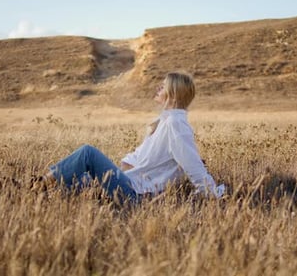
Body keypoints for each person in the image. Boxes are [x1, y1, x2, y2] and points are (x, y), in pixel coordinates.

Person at [39, 72, 225, 203]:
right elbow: (139, 158)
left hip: (135, 193)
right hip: (130, 183)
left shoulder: (176, 125)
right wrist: (122, 169)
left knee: (87, 153)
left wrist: (213, 194)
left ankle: (40, 184)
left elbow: (193, 166)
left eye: (164, 86)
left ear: (174, 94)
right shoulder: (165, 122)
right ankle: (40, 189)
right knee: (81, 179)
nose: (158, 87)